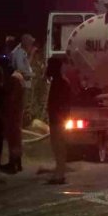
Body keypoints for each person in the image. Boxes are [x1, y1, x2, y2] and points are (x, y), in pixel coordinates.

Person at [3, 34, 35, 174]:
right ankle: (16, 163)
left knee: (14, 134)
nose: (31, 47)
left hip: (14, 112)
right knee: (15, 133)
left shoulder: (21, 54)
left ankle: (14, 163)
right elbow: (25, 71)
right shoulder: (18, 78)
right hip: (15, 110)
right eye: (30, 44)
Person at [45, 57, 71, 185]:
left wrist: (61, 116)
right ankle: (59, 172)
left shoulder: (60, 83)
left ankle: (60, 174)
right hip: (57, 119)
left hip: (58, 120)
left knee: (58, 146)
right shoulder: (60, 81)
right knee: (58, 146)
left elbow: (63, 102)